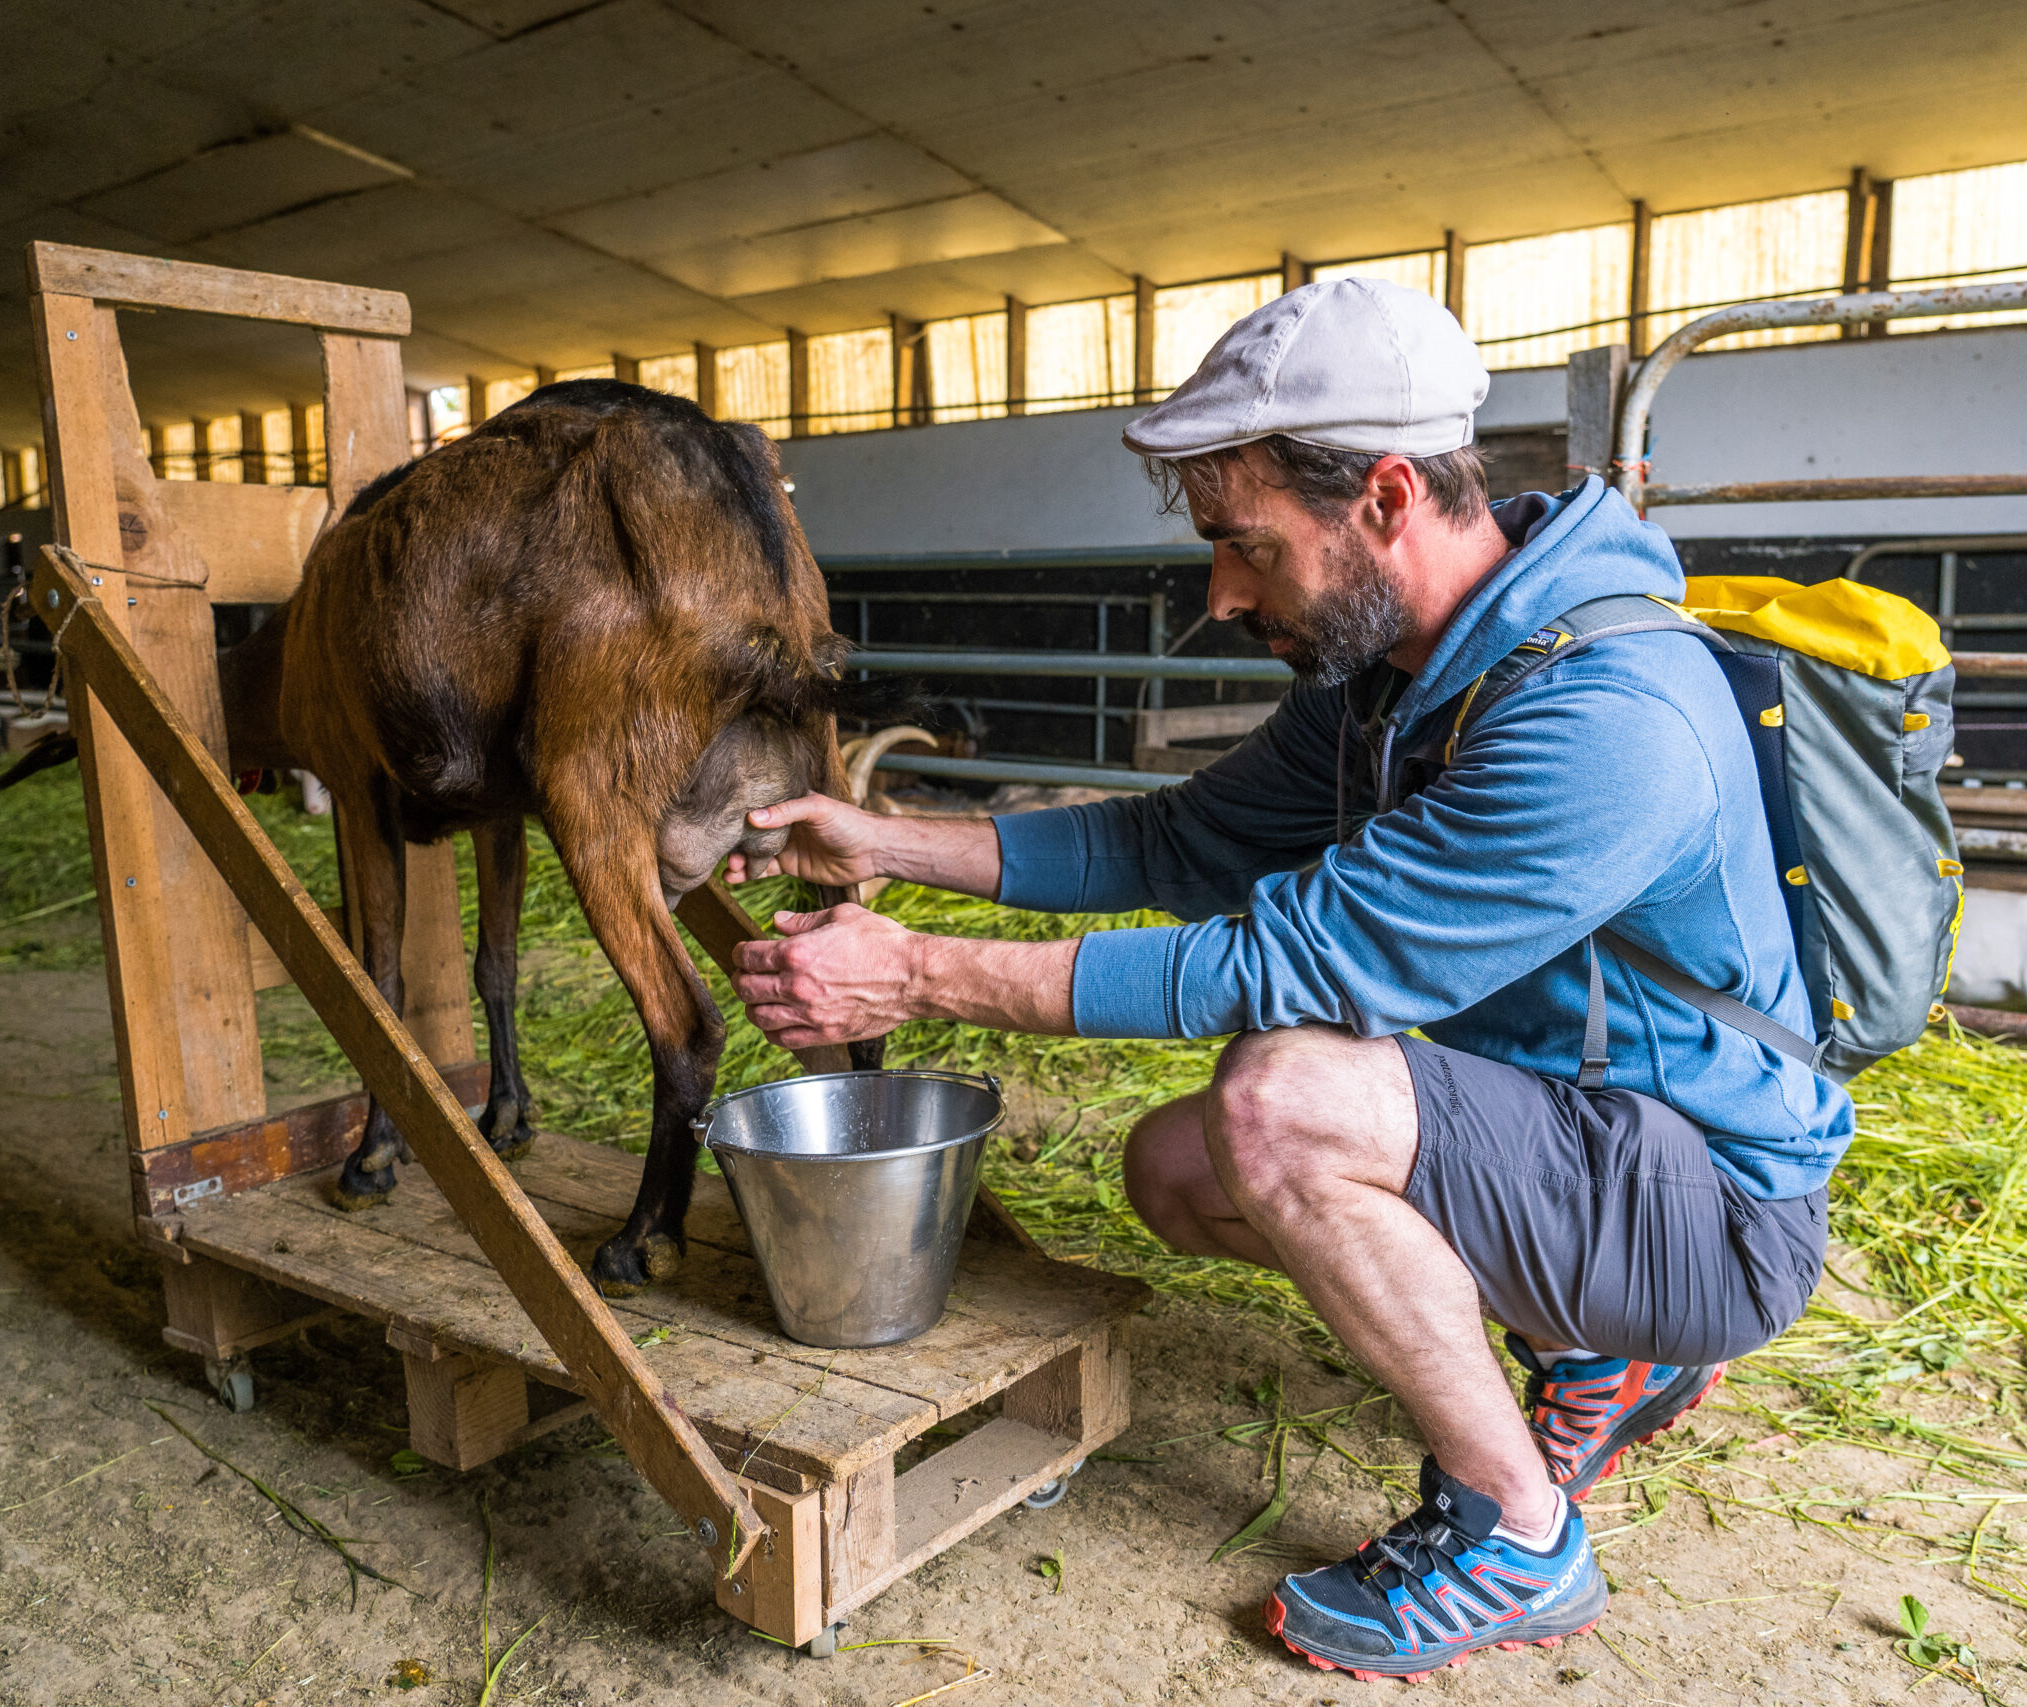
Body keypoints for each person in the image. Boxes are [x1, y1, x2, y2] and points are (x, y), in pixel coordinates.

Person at [723, 278, 1849, 1683]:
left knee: (1279, 1103)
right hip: (1573, 1128)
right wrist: (881, 841)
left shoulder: (1605, 719)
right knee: (1177, 1172)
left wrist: (915, 977)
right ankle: (1595, 1343)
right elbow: (1176, 840)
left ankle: (1519, 1535)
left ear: (1385, 497)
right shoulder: (1400, 675)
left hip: (1722, 1207)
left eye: (1243, 544)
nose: (1221, 593)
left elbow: (1290, 959)